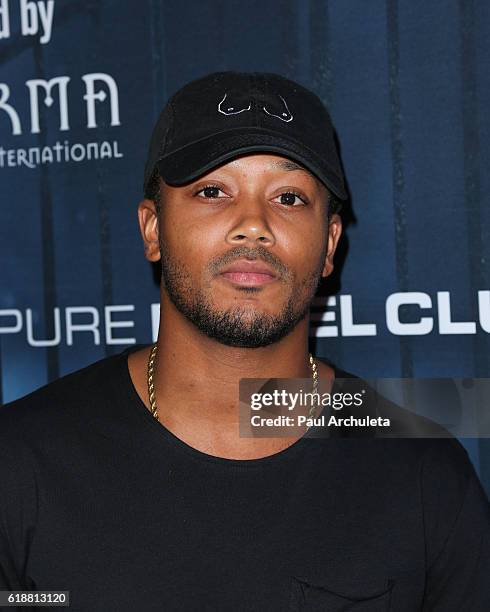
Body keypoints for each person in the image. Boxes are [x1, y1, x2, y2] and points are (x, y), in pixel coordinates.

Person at [0, 71, 489, 611]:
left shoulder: (423, 472)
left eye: (288, 197)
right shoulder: (20, 462)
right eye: (212, 191)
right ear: (153, 230)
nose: (253, 224)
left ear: (329, 245)